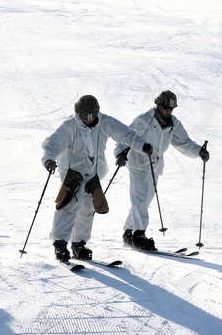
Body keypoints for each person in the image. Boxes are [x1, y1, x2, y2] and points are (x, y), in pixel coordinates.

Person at [40, 94, 151, 262]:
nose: (89, 119)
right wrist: (49, 159)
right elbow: (52, 144)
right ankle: (60, 245)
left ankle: (79, 244)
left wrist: (142, 145)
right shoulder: (70, 127)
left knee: (87, 210)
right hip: (72, 173)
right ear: (79, 113)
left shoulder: (105, 122)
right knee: (68, 207)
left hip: (93, 172)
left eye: (92, 115)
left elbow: (127, 134)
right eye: (85, 116)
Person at [113, 90, 209, 251]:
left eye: (171, 108)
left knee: (144, 200)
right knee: (141, 199)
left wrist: (199, 151)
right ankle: (138, 235)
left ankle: (129, 232)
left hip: (155, 166)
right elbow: (126, 136)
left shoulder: (173, 124)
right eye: (165, 107)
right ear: (158, 104)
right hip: (138, 163)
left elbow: (183, 142)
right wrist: (120, 154)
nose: (168, 111)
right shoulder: (145, 120)